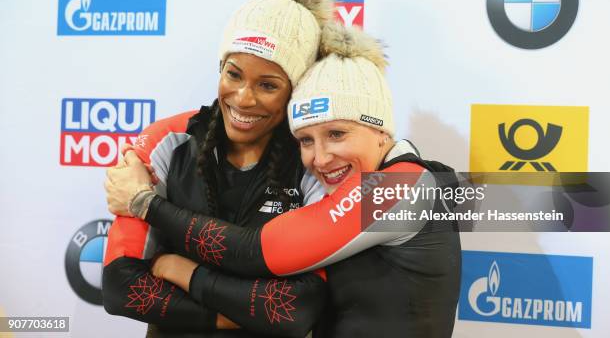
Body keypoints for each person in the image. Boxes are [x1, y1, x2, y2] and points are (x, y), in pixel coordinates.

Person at [106, 22, 462, 337]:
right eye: (306, 140)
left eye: (337, 134)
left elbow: (258, 251)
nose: (320, 158)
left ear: (381, 131)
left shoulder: (402, 187)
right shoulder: (404, 182)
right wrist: (143, 148)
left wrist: (145, 206)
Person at [102, 0, 335, 338]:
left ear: (295, 91)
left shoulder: (316, 162)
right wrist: (244, 311)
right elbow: (121, 288)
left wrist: (178, 269)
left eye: (268, 85)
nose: (243, 97)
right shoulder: (168, 138)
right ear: (220, 68)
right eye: (234, 74)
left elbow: (296, 312)